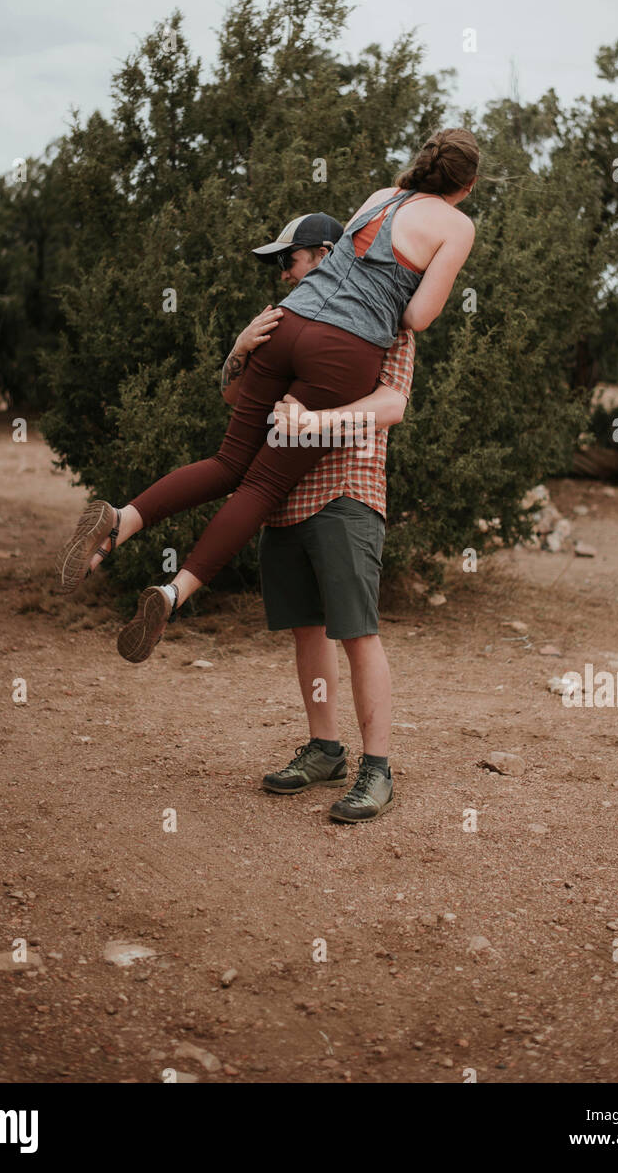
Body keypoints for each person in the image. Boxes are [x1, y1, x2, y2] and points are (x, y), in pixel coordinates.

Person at [56, 127, 478, 663]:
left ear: (421, 165)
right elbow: (417, 316)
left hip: (289, 319)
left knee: (228, 461)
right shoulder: (457, 225)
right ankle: (172, 592)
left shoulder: (379, 198)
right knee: (261, 485)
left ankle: (121, 518)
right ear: (467, 184)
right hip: (343, 349)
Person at [223, 213, 416, 821]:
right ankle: (325, 749)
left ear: (329, 253)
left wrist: (319, 424)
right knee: (306, 627)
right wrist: (236, 352)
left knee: (357, 631)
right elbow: (239, 404)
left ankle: (377, 769)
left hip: (346, 492)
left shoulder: (390, 317)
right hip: (282, 495)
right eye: (280, 263)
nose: (284, 273)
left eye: (293, 258)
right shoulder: (286, 322)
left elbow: (392, 405)